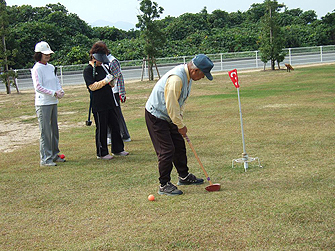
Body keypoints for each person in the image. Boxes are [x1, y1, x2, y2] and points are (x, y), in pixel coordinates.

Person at [145, 54, 214, 195]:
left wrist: (179, 121)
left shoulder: (188, 78)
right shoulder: (176, 79)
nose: (203, 78)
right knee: (167, 150)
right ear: (195, 71)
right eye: (203, 74)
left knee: (179, 146)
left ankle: (184, 176)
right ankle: (164, 185)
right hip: (156, 115)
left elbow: (180, 103)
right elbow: (171, 105)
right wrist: (180, 125)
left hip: (170, 116)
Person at [83, 42, 129, 160]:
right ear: (93, 57)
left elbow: (111, 85)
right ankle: (102, 152)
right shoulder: (88, 70)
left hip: (110, 100)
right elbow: (92, 86)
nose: (100, 61)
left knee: (115, 125)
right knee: (102, 128)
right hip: (98, 103)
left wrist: (112, 80)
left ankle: (118, 149)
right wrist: (104, 81)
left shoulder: (103, 67)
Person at [31, 41, 65, 166]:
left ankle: (55, 154)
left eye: (48, 54)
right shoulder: (36, 69)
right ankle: (46, 158)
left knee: (54, 129)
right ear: (39, 54)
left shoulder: (51, 67)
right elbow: (38, 87)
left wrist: (60, 91)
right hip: (43, 103)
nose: (48, 56)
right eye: (45, 54)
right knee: (45, 131)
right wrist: (52, 93)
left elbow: (56, 81)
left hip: (53, 101)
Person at [106, 53, 131, 144]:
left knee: (116, 113)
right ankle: (111, 135)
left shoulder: (113, 61)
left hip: (114, 91)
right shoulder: (103, 61)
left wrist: (122, 93)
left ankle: (124, 134)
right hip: (108, 91)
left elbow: (119, 77)